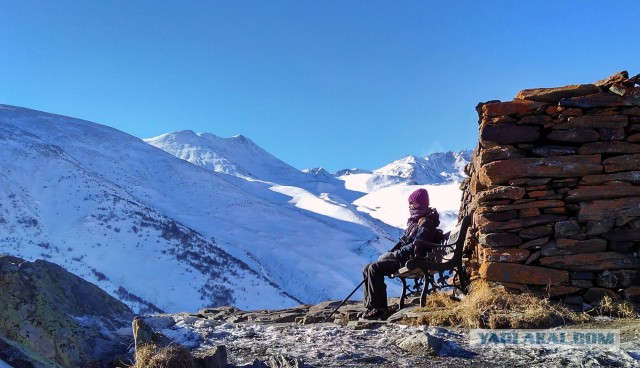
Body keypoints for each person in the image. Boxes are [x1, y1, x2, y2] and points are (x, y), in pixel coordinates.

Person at [361, 188, 441, 320]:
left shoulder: (426, 222)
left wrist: (395, 254)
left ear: (420, 203)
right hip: (406, 258)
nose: (409, 206)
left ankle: (379, 309)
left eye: (412, 203)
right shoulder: (416, 222)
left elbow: (417, 244)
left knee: (374, 269)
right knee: (367, 268)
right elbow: (404, 242)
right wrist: (390, 253)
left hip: (413, 259)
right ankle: (371, 307)